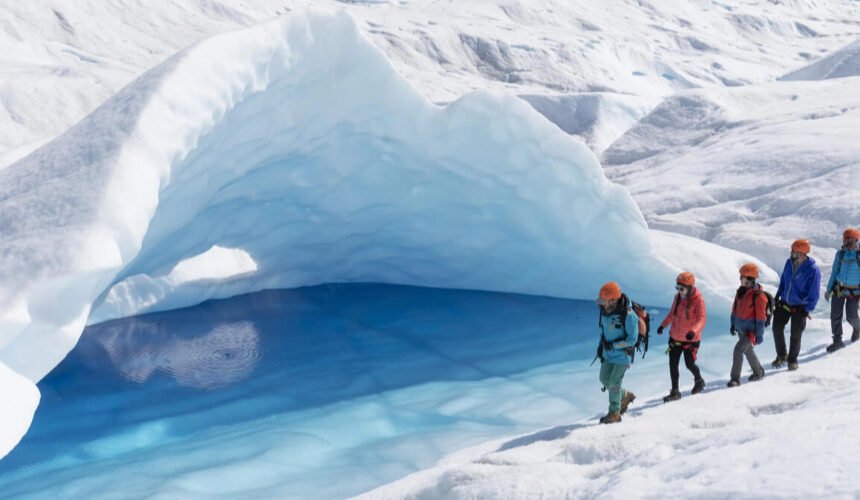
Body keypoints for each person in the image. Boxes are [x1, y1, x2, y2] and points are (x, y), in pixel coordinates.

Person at [771, 239, 821, 371]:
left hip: (800, 307)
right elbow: (783, 281)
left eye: (793, 251)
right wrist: (777, 296)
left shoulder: (813, 270)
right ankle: (782, 355)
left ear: (801, 253)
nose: (791, 253)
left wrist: (807, 309)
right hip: (785, 302)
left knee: (795, 334)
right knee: (777, 327)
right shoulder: (789, 263)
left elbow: (814, 293)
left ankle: (792, 360)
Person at [657, 272, 706, 402]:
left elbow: (702, 319)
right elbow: (671, 314)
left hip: (691, 339)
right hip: (674, 337)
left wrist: (693, 331)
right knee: (673, 364)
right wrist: (663, 325)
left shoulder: (698, 300)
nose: (679, 291)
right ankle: (675, 392)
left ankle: (699, 380)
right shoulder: (677, 298)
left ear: (690, 288)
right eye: (677, 288)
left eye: (682, 288)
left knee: (689, 364)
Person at [594, 281, 638, 424]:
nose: (601, 304)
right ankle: (624, 395)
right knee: (604, 379)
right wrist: (601, 346)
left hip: (622, 355)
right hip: (608, 353)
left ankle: (614, 413)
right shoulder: (605, 311)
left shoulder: (629, 315)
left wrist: (614, 345)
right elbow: (603, 330)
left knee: (613, 382)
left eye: (603, 301)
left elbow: (632, 339)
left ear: (613, 299)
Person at [728, 263, 767, 387]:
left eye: (742, 276)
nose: (740, 278)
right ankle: (759, 371)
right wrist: (733, 324)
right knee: (748, 351)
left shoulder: (758, 296)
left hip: (750, 332)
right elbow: (735, 309)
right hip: (740, 330)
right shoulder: (741, 291)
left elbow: (761, 318)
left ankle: (735, 379)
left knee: (738, 350)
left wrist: (759, 335)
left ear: (749, 278)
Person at [824, 228, 860, 352]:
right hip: (839, 288)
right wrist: (829, 290)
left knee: (851, 316)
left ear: (856, 240)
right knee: (835, 315)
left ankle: (857, 328)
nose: (846, 241)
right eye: (845, 238)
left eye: (849, 239)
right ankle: (837, 341)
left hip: (854, 291)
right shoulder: (840, 254)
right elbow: (834, 272)